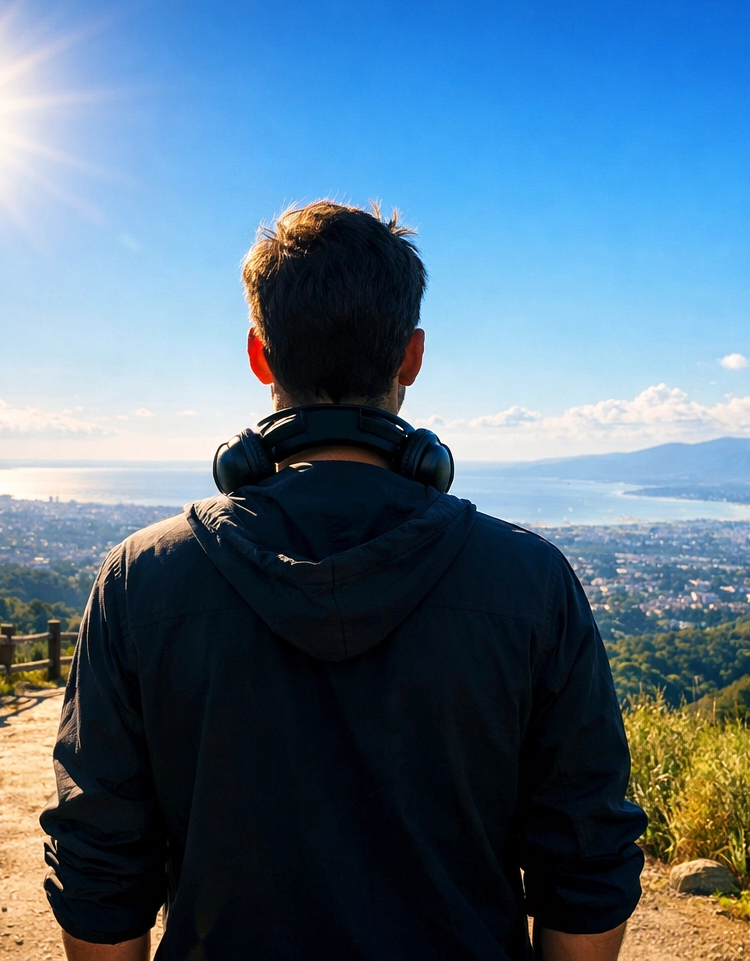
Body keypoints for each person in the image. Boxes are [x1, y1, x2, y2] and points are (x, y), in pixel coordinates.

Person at [42, 201, 646, 960]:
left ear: (261, 357)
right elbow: (586, 863)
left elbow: (100, 870)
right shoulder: (531, 582)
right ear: (411, 359)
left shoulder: (140, 580)